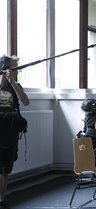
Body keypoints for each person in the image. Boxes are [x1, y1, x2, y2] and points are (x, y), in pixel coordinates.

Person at [0, 55, 30, 209]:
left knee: (6, 167)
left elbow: (25, 101)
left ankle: (1, 200)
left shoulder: (16, 85)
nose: (16, 71)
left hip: (10, 132)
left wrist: (12, 82)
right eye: (14, 68)